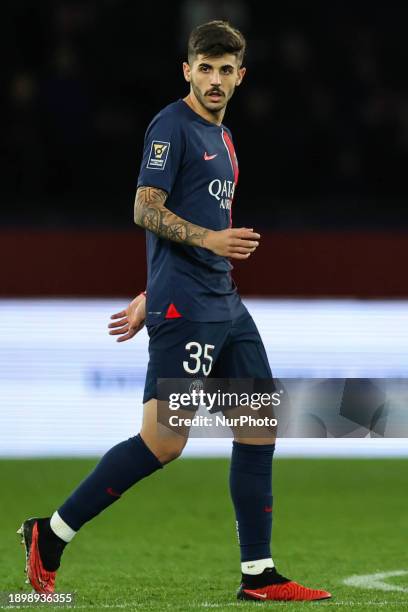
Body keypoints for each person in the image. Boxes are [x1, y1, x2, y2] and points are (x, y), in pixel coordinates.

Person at [18, 20, 331, 602]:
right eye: (204, 68)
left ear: (241, 76)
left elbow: (179, 222)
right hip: (187, 309)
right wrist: (189, 263)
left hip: (224, 303)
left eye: (225, 70)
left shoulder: (226, 138)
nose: (214, 80)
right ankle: (51, 533)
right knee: (164, 442)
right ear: (187, 70)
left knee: (259, 425)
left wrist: (146, 287)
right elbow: (144, 207)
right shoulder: (172, 125)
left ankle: (258, 573)